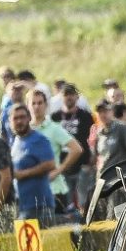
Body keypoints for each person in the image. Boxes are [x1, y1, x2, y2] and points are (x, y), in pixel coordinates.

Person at [27, 88, 82, 216]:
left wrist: (59, 170)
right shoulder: (26, 131)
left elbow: (76, 149)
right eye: (33, 103)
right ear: (28, 106)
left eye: (40, 103)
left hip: (53, 189)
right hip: (32, 190)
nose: (36, 106)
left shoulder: (53, 128)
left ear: (46, 105)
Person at [9, 103, 56, 226]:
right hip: (22, 206)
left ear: (29, 118)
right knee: (26, 245)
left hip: (40, 206)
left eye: (22, 117)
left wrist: (24, 174)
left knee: (46, 245)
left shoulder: (39, 139)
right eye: (15, 118)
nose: (19, 121)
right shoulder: (15, 142)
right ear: (10, 121)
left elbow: (50, 164)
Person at [51, 83, 95, 211]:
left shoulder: (86, 115)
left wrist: (92, 156)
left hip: (83, 164)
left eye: (72, 94)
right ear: (61, 97)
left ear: (77, 97)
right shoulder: (55, 117)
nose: (69, 97)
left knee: (84, 201)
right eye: (66, 94)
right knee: (67, 203)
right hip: (62, 165)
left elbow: (92, 138)